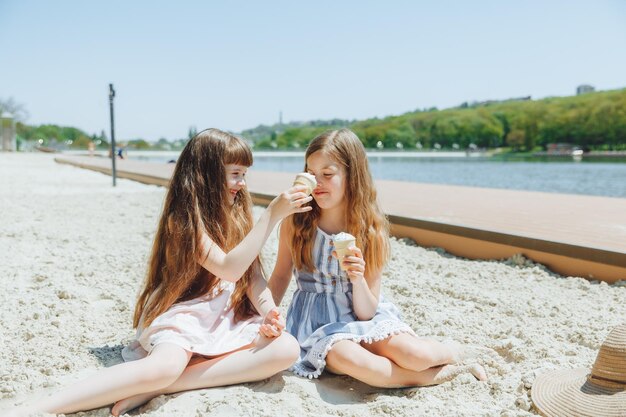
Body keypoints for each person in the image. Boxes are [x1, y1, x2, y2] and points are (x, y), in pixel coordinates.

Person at [9, 128, 312, 416]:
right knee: (165, 365)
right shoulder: (184, 221)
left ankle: (166, 386)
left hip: (225, 315)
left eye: (244, 174)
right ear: (206, 176)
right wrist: (272, 215)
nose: (242, 183)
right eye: (235, 174)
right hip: (185, 313)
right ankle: (41, 407)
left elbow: (252, 277)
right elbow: (229, 269)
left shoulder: (238, 215)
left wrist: (269, 310)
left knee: (286, 348)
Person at [269, 128, 487, 387]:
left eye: (327, 174)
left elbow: (366, 312)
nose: (317, 183)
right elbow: (281, 274)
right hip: (317, 324)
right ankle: (443, 375)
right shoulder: (296, 220)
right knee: (352, 360)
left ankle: (453, 351)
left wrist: (357, 278)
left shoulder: (369, 229)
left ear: (353, 176)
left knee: (415, 355)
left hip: (363, 315)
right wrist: (262, 316)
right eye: (311, 174)